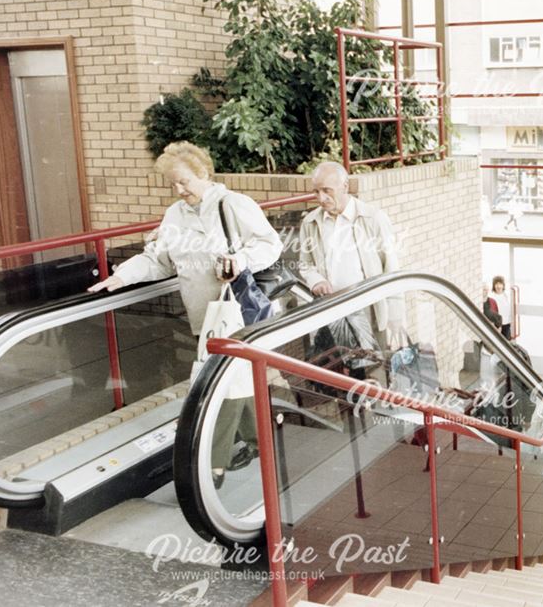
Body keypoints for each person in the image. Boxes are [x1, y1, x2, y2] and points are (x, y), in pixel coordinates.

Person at [88, 141, 283, 488]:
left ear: (203, 173)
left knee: (221, 387)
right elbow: (158, 260)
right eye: (172, 184)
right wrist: (121, 276)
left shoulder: (233, 205)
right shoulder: (175, 215)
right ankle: (262, 440)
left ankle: (214, 465)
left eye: (184, 182)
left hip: (235, 314)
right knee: (237, 380)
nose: (179, 190)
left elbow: (270, 244)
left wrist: (240, 261)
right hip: (203, 316)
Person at [298, 161, 404, 348]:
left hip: (368, 310)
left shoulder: (373, 218)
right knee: (335, 369)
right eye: (316, 192)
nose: (321, 198)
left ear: (345, 186)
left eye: (327, 190)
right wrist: (316, 281)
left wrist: (395, 316)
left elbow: (391, 268)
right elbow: (305, 264)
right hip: (331, 309)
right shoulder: (310, 222)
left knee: (373, 369)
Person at [487, 275, 514, 340]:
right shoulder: (491, 297)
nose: (498, 286)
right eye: (496, 284)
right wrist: (496, 325)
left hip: (507, 323)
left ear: (503, 285)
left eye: (500, 284)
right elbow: (491, 313)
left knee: (507, 342)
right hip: (497, 325)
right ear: (494, 285)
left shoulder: (506, 295)